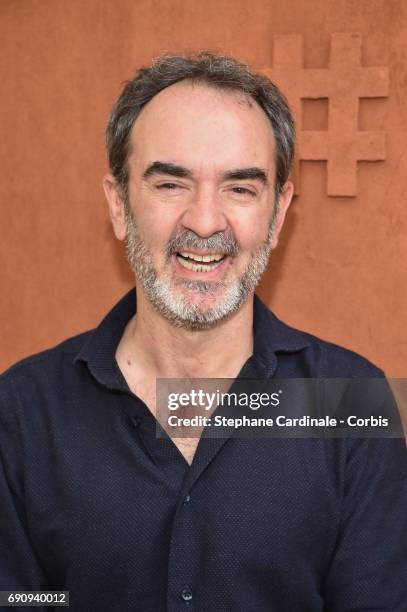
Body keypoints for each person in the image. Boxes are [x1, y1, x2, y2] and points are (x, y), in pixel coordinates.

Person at [0, 52, 405, 612]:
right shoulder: (23, 412)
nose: (205, 221)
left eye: (241, 188)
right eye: (171, 184)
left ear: (279, 212)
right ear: (119, 205)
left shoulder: (351, 405)